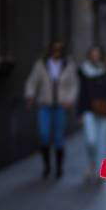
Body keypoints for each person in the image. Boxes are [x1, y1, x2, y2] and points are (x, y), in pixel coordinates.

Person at [24, 40, 79, 179]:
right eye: (54, 49)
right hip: (45, 104)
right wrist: (30, 95)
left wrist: (70, 99)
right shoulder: (41, 64)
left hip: (60, 105)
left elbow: (74, 84)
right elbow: (32, 81)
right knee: (44, 134)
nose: (57, 52)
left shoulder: (68, 64)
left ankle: (59, 168)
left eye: (59, 50)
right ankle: (47, 166)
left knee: (59, 136)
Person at [77, 46, 106, 180]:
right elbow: (81, 92)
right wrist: (79, 112)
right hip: (88, 109)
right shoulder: (83, 71)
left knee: (101, 141)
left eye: (97, 54)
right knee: (91, 140)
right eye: (93, 54)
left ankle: (100, 169)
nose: (95, 56)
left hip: (103, 109)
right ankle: (92, 162)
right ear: (89, 55)